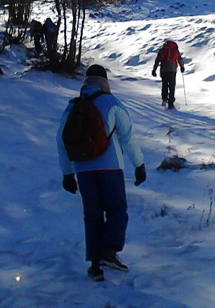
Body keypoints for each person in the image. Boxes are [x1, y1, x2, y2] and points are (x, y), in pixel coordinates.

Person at [56, 64, 147, 282]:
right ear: (105, 81)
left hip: (82, 169)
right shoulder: (111, 103)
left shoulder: (72, 106)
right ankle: (109, 250)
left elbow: (61, 141)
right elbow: (128, 138)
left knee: (92, 215)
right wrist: (139, 165)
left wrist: (67, 174)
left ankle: (95, 265)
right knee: (117, 210)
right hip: (110, 167)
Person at [151, 40, 185, 109]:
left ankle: (164, 98)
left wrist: (154, 70)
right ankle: (171, 103)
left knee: (165, 84)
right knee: (172, 86)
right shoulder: (175, 50)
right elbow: (179, 59)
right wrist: (182, 67)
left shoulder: (162, 50)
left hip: (164, 69)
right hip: (172, 70)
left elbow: (157, 60)